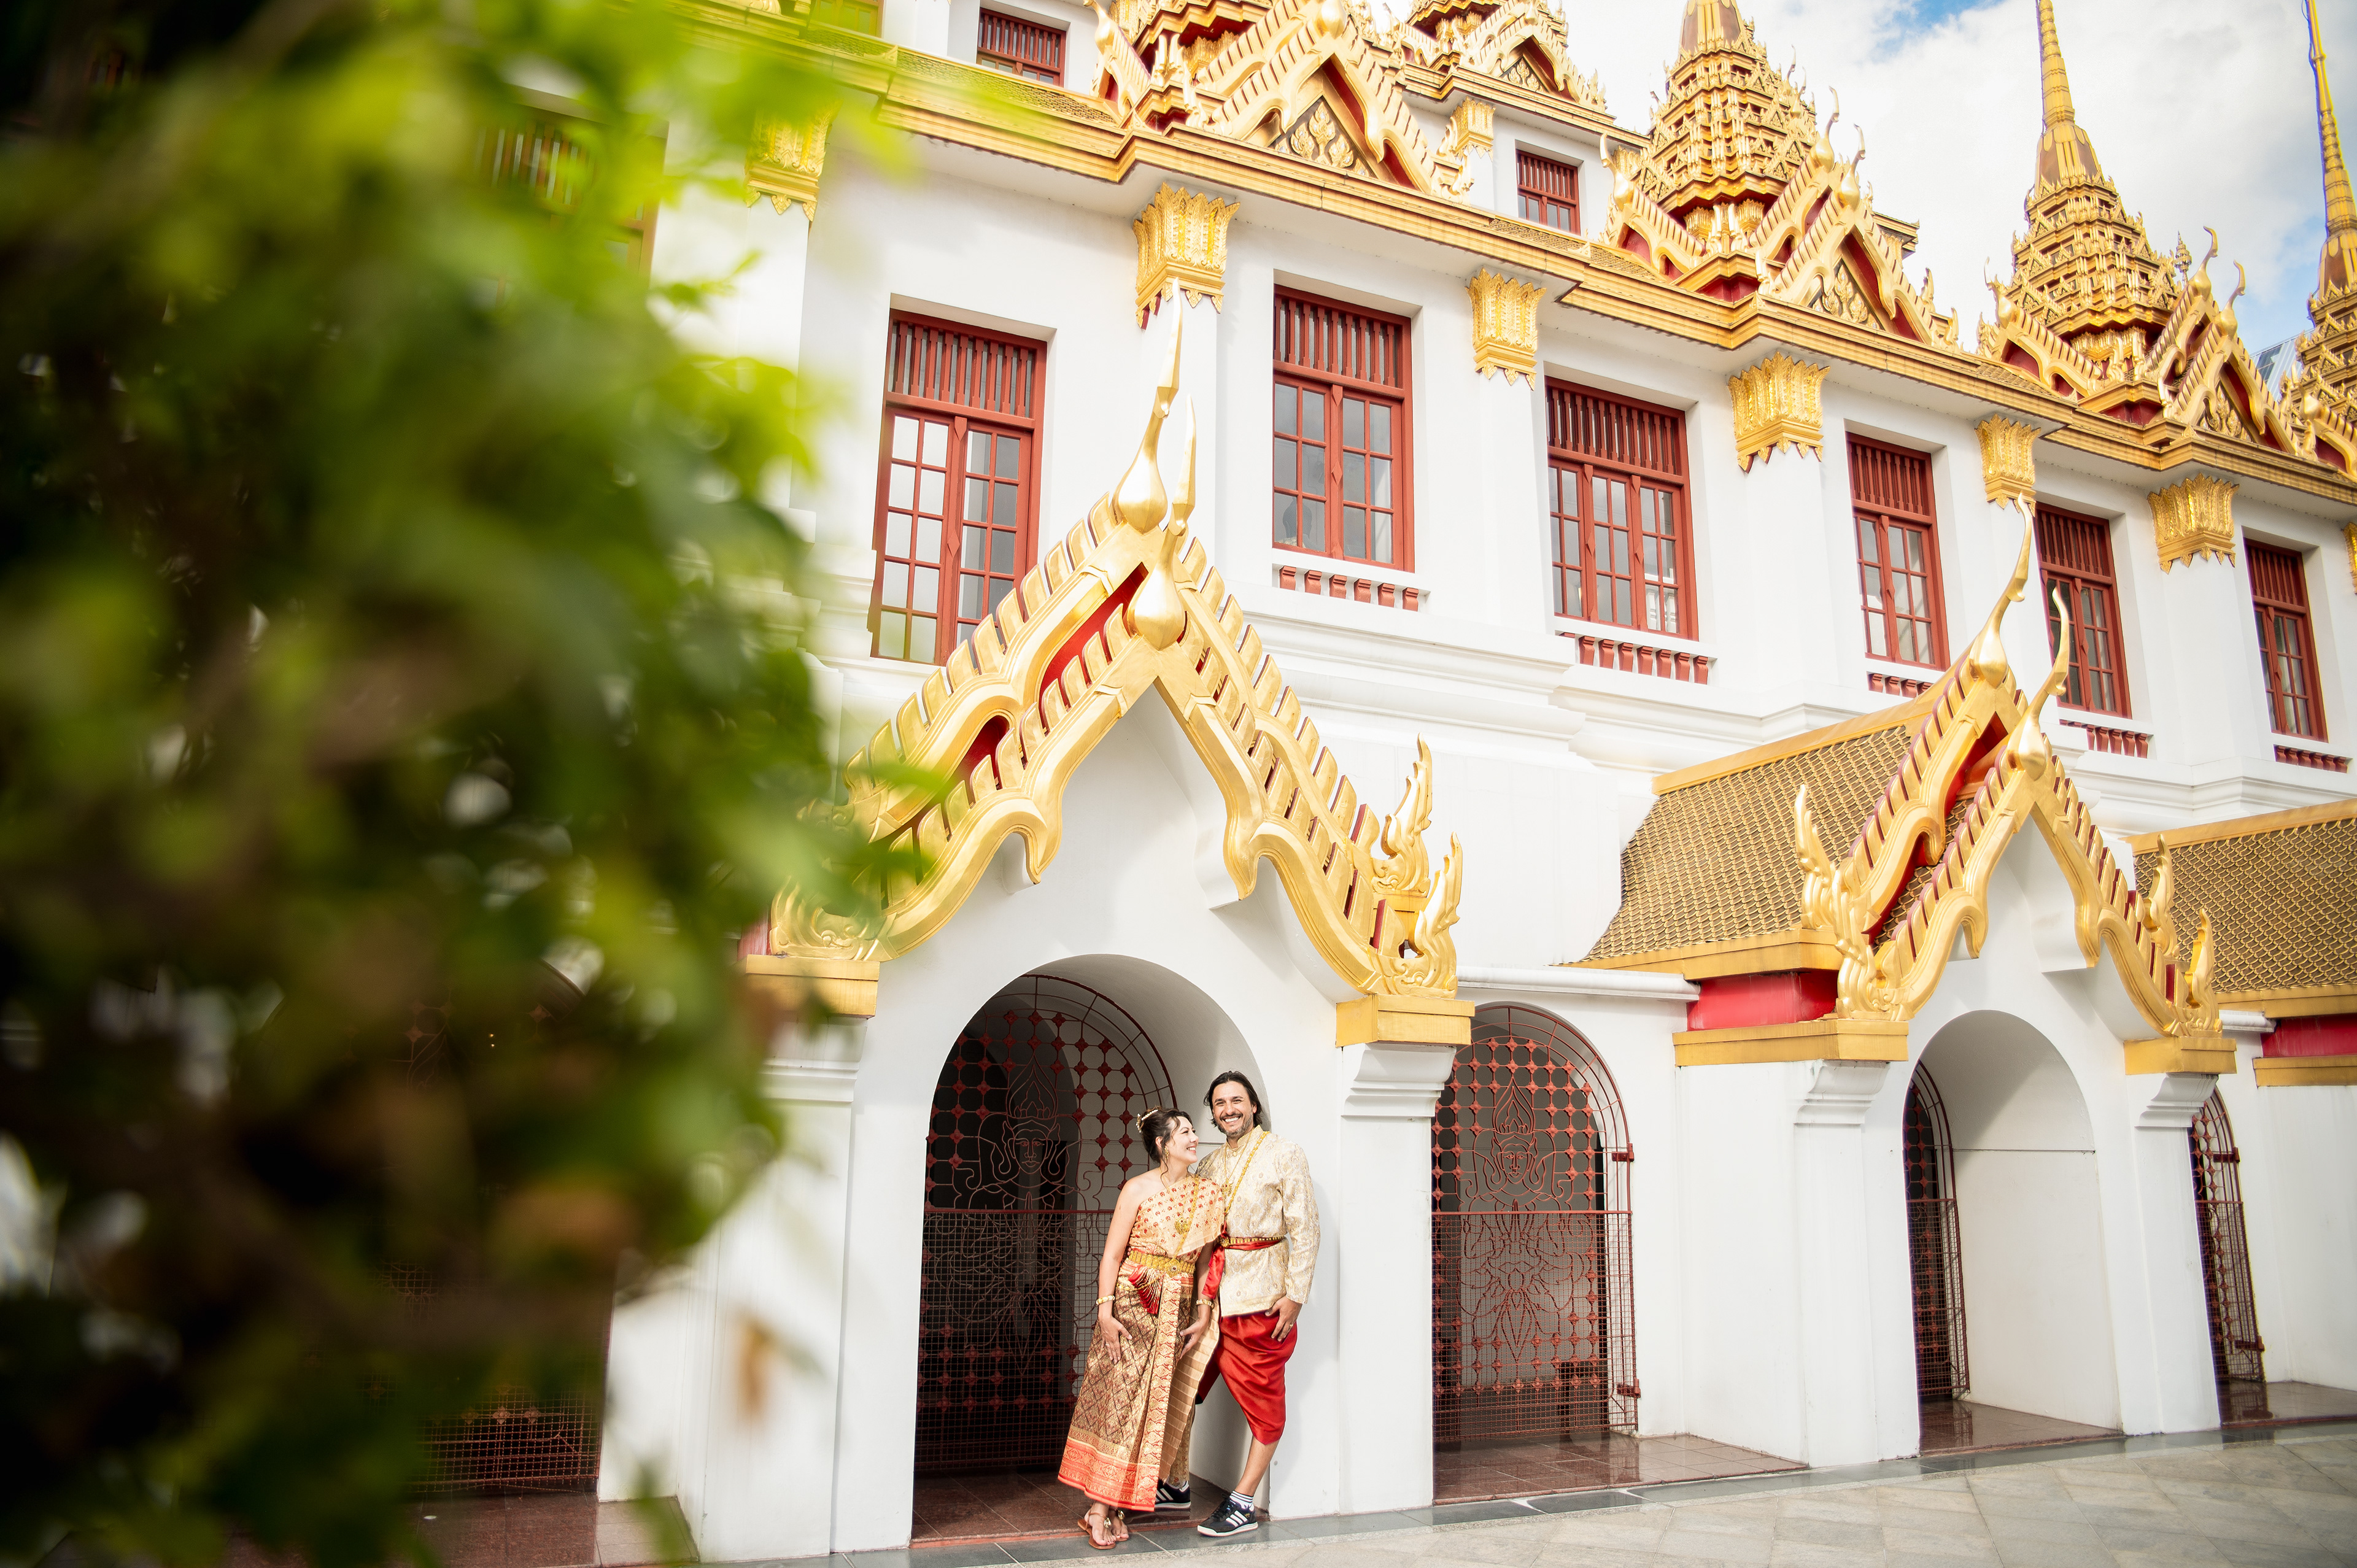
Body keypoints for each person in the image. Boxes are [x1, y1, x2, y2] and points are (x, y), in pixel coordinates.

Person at [1057, 1106, 1226, 1550]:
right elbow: (1113, 1255)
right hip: (1133, 1307)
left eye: (1193, 1130)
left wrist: (1204, 1309)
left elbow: (1207, 1259)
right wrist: (1105, 1311)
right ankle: (1097, 1508)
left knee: (1155, 1406)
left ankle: (1115, 1506)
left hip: (1180, 1306)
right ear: (1162, 1143)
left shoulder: (1208, 1192)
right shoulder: (1138, 1188)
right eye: (1185, 1132)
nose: (1194, 1138)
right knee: (1122, 1401)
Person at [1187, 1069, 1319, 1538]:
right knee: (1181, 1386)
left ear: (1254, 1105)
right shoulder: (1209, 1164)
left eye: (1236, 1100)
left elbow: (1306, 1228)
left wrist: (1296, 1295)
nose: (1228, 1109)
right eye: (1220, 1103)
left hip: (1263, 1296)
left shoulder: (1284, 1152)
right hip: (1212, 1299)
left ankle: (1242, 1500)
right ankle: (1172, 1480)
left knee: (1264, 1400)